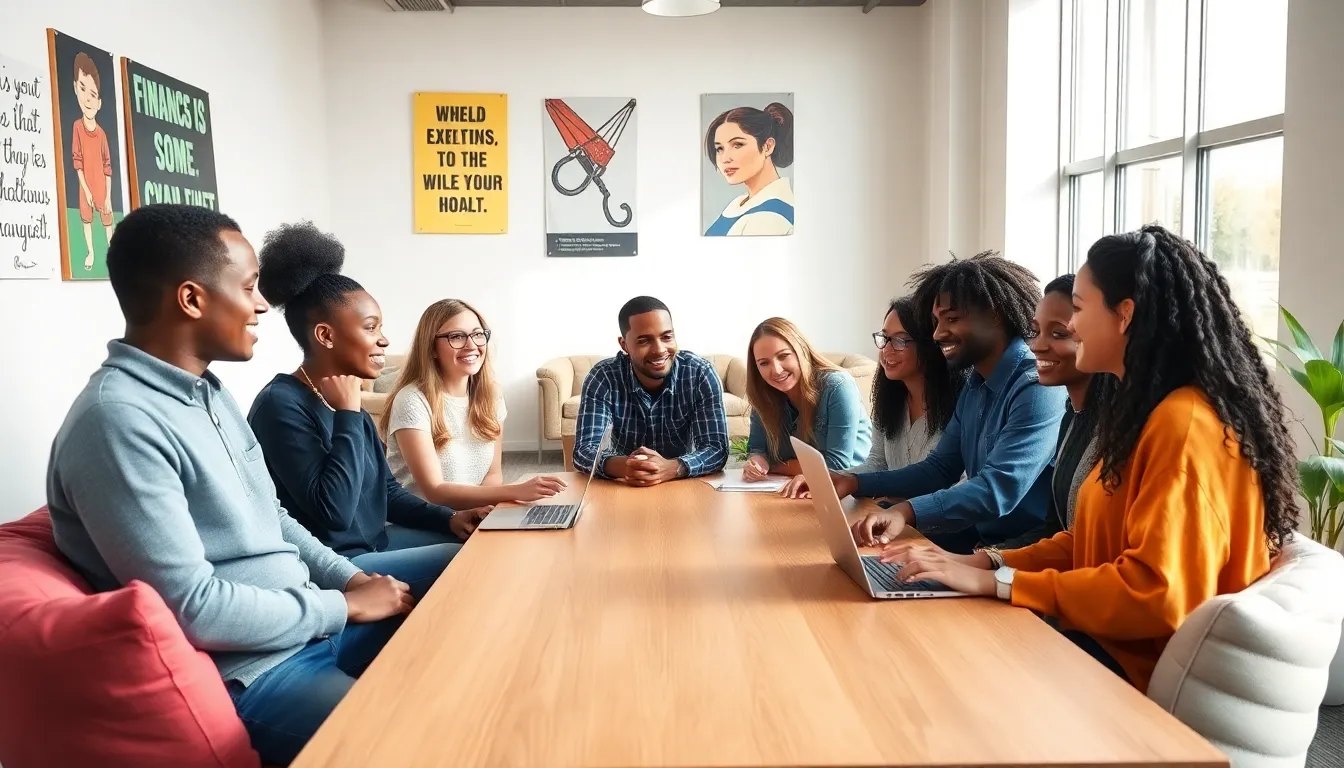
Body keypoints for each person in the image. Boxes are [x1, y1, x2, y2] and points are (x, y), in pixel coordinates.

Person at [46, 204, 416, 765]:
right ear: (192, 299)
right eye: (248, 288)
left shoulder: (209, 392)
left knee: (469, 602)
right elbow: (194, 608)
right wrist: (341, 605)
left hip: (308, 621)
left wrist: (354, 578)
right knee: (427, 738)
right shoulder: (117, 421)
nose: (264, 304)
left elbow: (274, 517)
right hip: (257, 668)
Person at [875, 226, 1297, 693]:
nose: (1069, 327)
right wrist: (985, 565)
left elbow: (1156, 593)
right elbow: (1089, 542)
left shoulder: (1185, 426)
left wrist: (1003, 583)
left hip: (1135, 676)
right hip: (1096, 642)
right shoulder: (1141, 415)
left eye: (1077, 309)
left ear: (1124, 314)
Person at [247, 223, 485, 600]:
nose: (384, 339)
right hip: (335, 567)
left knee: (481, 539)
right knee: (466, 562)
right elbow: (334, 515)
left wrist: (450, 517)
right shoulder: (280, 406)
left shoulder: (343, 399)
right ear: (325, 336)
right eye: (371, 327)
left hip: (377, 542)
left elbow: (386, 493)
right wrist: (347, 415)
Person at [825, 251, 1067, 553]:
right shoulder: (977, 384)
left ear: (995, 315)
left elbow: (997, 489)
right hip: (981, 539)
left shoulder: (1037, 386)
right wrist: (856, 483)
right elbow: (939, 469)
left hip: (1023, 552)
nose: (938, 334)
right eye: (937, 321)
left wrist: (907, 511)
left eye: (951, 319)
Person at [381, 299, 568, 507]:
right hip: (426, 521)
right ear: (431, 348)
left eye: (478, 334)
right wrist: (516, 491)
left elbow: (494, 474)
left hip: (470, 516)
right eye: (457, 337)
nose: (472, 345)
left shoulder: (491, 394)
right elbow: (435, 492)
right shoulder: (412, 400)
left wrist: (484, 512)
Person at [987, 274, 1115, 549]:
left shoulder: (1117, 428)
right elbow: (1056, 531)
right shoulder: (1072, 413)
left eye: (1058, 334)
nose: (1037, 345)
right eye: (1035, 332)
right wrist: (988, 559)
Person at [572, 296, 729, 486]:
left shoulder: (700, 374)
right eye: (644, 341)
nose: (660, 350)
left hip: (681, 483)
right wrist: (627, 466)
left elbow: (716, 448)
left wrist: (672, 468)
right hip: (625, 484)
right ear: (624, 345)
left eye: (666, 337)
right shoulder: (603, 378)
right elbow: (584, 450)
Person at [740, 318, 871, 490]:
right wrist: (757, 463)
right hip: (798, 490)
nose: (776, 370)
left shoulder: (838, 386)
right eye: (764, 363)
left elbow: (837, 466)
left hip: (856, 494)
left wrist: (776, 466)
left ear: (800, 351)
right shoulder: (763, 396)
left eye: (783, 356)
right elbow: (757, 449)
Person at [854, 295, 966, 473]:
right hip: (888, 502)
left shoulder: (962, 403)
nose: (886, 350)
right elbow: (877, 463)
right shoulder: (888, 400)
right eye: (885, 338)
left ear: (929, 345)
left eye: (899, 340)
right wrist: (829, 479)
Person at [703, 103, 795, 236]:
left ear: (767, 147)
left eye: (737, 145)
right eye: (720, 148)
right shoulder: (742, 203)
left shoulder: (769, 217)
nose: (725, 159)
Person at [70, 51, 116, 270]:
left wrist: (107, 194)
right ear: (75, 88)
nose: (87, 99)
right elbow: (76, 161)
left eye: (93, 94)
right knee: (86, 219)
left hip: (101, 185)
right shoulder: (77, 128)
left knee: (107, 221)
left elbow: (108, 167)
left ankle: (111, 253)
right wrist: (86, 190)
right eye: (82, 89)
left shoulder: (102, 134)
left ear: (99, 102)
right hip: (86, 185)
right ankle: (90, 252)